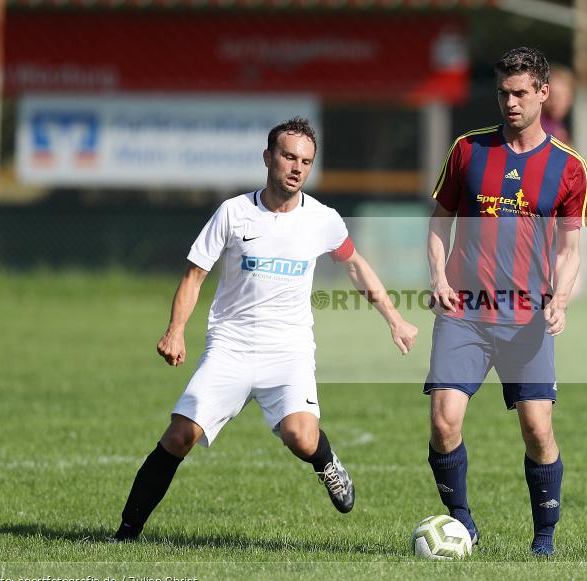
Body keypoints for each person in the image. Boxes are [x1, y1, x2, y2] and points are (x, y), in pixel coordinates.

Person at [111, 117, 418, 542]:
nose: (296, 168)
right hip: (230, 348)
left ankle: (327, 464)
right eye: (289, 156)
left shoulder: (323, 219)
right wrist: (175, 330)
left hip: (288, 352)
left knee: (300, 435)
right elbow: (194, 276)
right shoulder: (234, 213)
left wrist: (395, 318)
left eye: (306, 161)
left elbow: (354, 265)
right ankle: (126, 533)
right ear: (268, 158)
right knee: (181, 434)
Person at [424, 47, 587, 556]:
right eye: (503, 92)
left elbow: (569, 247)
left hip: (527, 317)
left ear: (544, 93)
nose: (510, 102)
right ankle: (461, 524)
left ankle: (544, 540)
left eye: (521, 93)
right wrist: (437, 276)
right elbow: (439, 223)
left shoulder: (567, 167)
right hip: (465, 312)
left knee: (538, 429)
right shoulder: (468, 151)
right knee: (443, 420)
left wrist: (559, 298)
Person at [541, 64, 587, 228]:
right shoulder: (540, 130)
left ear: (570, 99)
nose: (556, 101)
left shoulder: (557, 129)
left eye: (562, 95)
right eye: (553, 95)